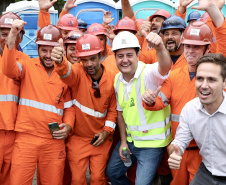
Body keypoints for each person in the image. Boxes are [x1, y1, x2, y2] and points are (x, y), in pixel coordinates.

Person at [142, 1, 226, 184]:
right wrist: (149, 100)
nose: (190, 51)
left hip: (204, 153)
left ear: (207, 49)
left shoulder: (216, 75)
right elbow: (159, 102)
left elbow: (223, 40)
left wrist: (212, 9)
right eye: (187, 46)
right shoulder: (174, 75)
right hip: (178, 151)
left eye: (196, 47)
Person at [2, 20, 75, 185]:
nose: (48, 56)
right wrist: (13, 34)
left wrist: (68, 126)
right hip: (26, 138)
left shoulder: (66, 73)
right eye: (44, 50)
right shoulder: (27, 65)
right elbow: (8, 69)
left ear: (60, 49)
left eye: (52, 50)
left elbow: (69, 107)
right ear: (37, 49)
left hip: (54, 141)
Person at [105, 30, 172, 185]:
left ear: (138, 54)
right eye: (120, 56)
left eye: (129, 55)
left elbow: (164, 67)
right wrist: (123, 142)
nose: (125, 60)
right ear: (114, 57)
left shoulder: (148, 73)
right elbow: (120, 113)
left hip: (152, 144)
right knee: (112, 173)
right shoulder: (117, 80)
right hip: (131, 141)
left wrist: (160, 48)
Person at [52, 33, 117, 185]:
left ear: (101, 55)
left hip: (100, 139)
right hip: (78, 139)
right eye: (84, 60)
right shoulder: (77, 72)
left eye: (92, 58)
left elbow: (113, 111)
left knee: (97, 179)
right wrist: (60, 61)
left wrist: (106, 132)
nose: (89, 64)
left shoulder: (113, 78)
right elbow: (66, 73)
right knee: (77, 180)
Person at [168, 53, 226, 185]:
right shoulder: (190, 109)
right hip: (205, 172)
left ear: (224, 82)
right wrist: (175, 151)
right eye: (200, 79)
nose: (204, 85)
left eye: (212, 80)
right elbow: (179, 142)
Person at [0, 11, 30, 185]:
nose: (8, 37)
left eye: (14, 33)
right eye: (4, 33)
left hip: (16, 134)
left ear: (20, 37)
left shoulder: (26, 62)